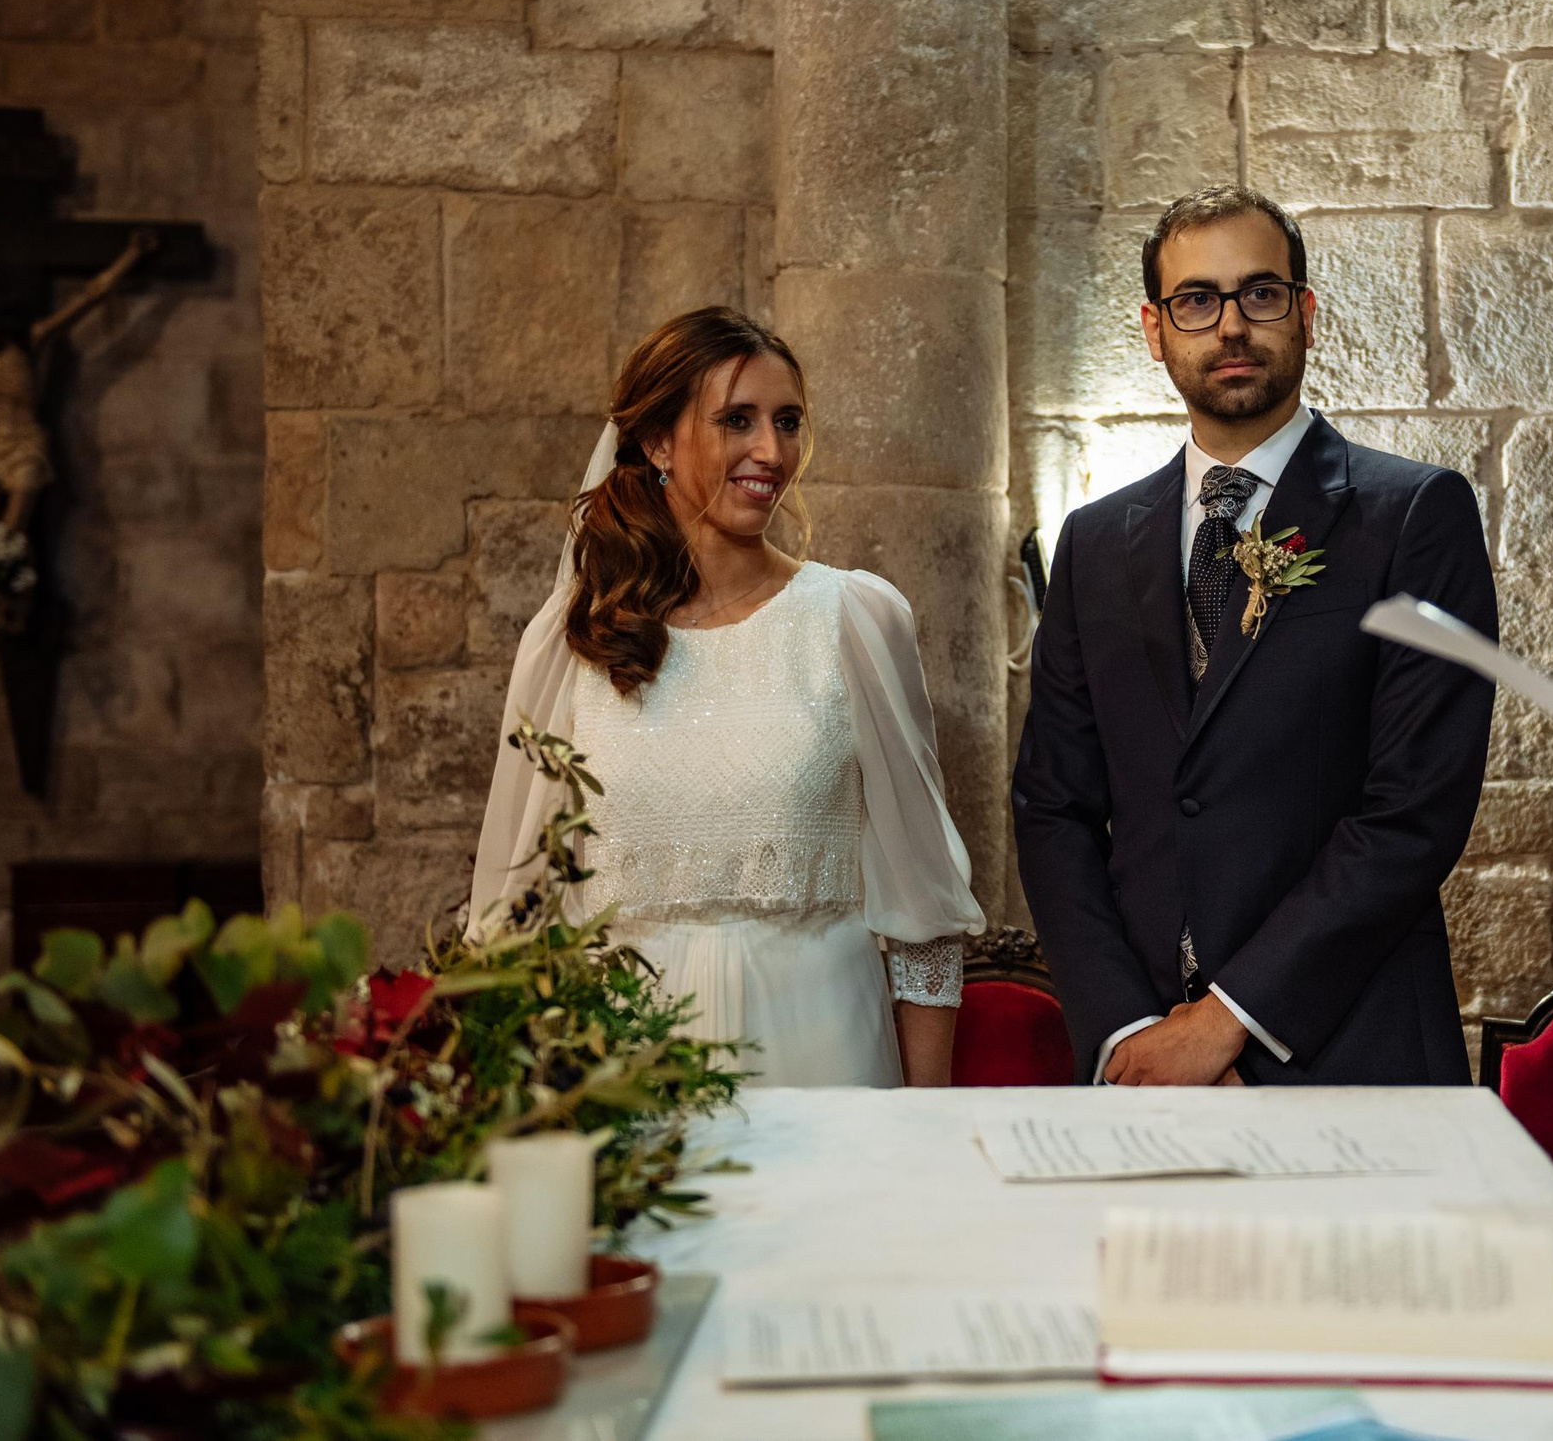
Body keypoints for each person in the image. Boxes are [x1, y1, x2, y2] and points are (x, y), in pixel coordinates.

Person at [1013, 184, 1496, 1086]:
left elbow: (1413, 810)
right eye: (1197, 300)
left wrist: (1224, 1023)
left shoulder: (1413, 516)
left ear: (1306, 314)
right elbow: (1054, 808)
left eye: (1260, 293)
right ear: (1155, 330)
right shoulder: (1094, 543)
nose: (1231, 325)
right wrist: (1129, 1031)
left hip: (1351, 1052)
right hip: (1146, 1066)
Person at [470, 307, 983, 1087]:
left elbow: (925, 914)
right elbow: (519, 912)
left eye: (787, 421)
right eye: (737, 420)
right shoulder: (576, 640)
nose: (771, 451)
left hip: (826, 1063)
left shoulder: (855, 620)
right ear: (658, 442)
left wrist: (922, 1121)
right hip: (629, 1075)